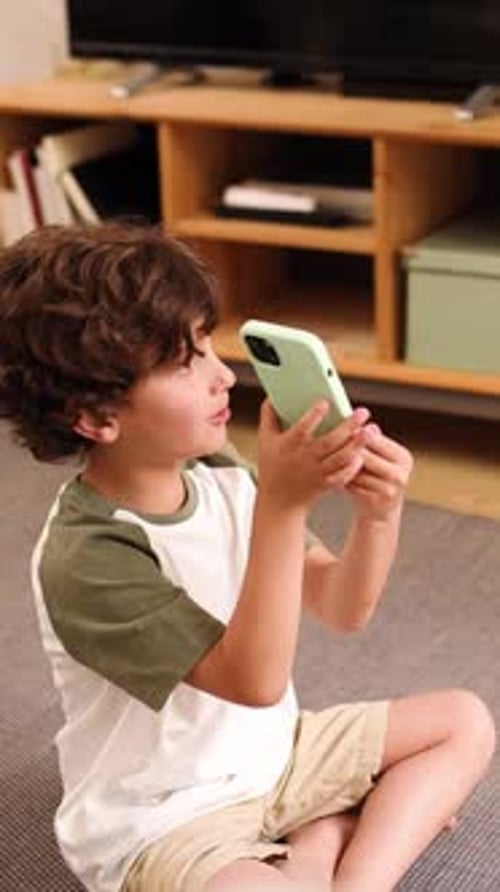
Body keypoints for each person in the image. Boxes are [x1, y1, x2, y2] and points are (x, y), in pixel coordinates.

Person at [0, 221, 495, 892]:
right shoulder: (89, 557)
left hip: (272, 756)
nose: (219, 374)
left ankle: (343, 874)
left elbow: (341, 607)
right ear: (94, 417)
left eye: (206, 342)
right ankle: (322, 842)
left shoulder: (215, 468)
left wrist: (379, 514)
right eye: (183, 362)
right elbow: (254, 678)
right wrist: (284, 507)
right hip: (168, 816)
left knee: (463, 721)